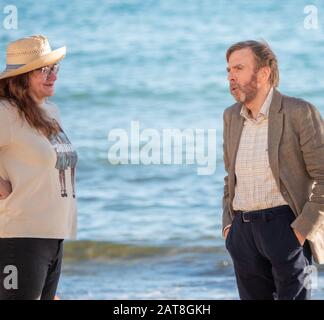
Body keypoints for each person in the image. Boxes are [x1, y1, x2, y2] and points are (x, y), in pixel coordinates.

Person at [222, 40, 324, 300]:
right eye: (228, 70)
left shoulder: (299, 112)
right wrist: (228, 228)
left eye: (239, 68)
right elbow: (230, 178)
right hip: (243, 233)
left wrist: (301, 230)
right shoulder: (231, 116)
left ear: (264, 72)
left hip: (285, 227)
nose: (231, 76)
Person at [0, 35, 78, 300]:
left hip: (52, 237)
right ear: (21, 78)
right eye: (43, 70)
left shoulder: (49, 111)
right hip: (18, 238)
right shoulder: (5, 112)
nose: (52, 75)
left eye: (54, 68)